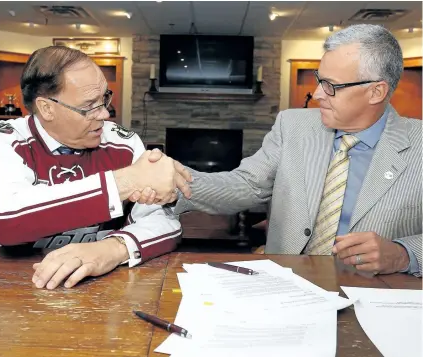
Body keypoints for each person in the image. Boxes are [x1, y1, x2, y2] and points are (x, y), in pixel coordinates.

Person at [165, 24, 422, 277]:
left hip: (379, 298)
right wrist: (175, 181)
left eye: (332, 85)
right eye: (319, 80)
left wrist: (402, 253)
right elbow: (246, 185)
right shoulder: (292, 126)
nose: (318, 93)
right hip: (287, 289)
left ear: (376, 91)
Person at [0, 46, 192, 290]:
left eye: (104, 99)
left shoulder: (123, 143)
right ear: (47, 108)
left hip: (106, 289)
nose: (105, 114)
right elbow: (5, 219)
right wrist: (127, 181)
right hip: (16, 289)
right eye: (90, 106)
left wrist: (112, 249)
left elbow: (165, 223)